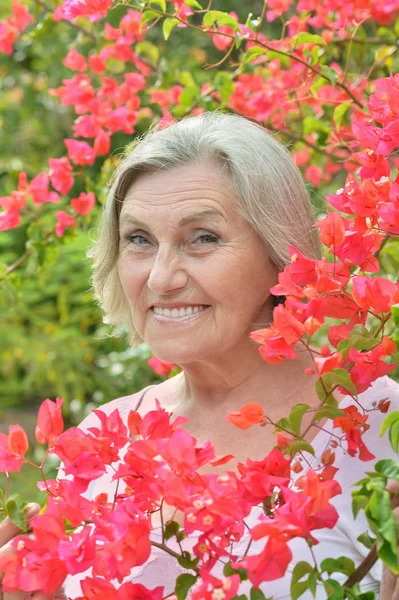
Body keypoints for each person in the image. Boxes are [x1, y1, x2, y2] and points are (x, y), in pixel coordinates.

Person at [1, 112, 398, 599]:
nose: (161, 278)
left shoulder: (380, 427)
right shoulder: (96, 450)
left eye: (203, 238)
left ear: (282, 252)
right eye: (139, 240)